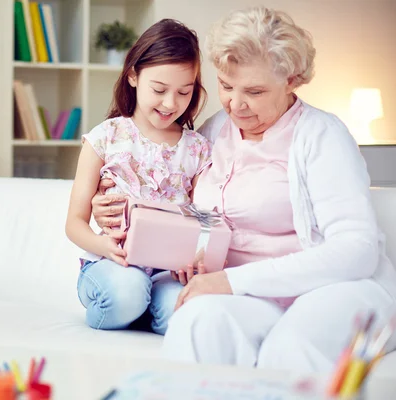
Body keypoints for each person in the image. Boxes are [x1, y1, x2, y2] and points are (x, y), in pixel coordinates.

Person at [90, 6, 396, 373]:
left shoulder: (323, 136)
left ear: (292, 79)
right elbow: (172, 194)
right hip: (249, 294)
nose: (235, 103)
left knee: (290, 348)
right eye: (226, 85)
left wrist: (231, 279)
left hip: (331, 289)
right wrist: (112, 200)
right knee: (195, 323)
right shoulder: (216, 130)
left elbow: (355, 251)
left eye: (254, 90)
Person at [65, 19, 212, 334]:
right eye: (159, 89)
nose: (170, 103)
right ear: (133, 75)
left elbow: (205, 219)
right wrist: (104, 247)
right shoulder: (106, 137)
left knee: (185, 314)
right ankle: (133, 305)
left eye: (184, 92)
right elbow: (74, 222)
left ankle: (143, 309)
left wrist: (198, 257)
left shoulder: (198, 149)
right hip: (111, 265)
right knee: (126, 291)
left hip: (166, 274)